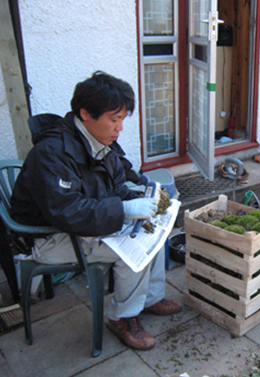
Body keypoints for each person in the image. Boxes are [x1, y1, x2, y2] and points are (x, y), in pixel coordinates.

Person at [11, 71, 182, 350]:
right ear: (86, 114)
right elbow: (68, 212)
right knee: (131, 252)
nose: (120, 128)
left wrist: (146, 197)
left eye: (123, 119)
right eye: (114, 120)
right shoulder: (52, 153)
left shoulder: (101, 141)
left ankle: (151, 297)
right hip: (49, 237)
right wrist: (125, 208)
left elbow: (117, 184)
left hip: (82, 225)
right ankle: (122, 318)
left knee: (154, 230)